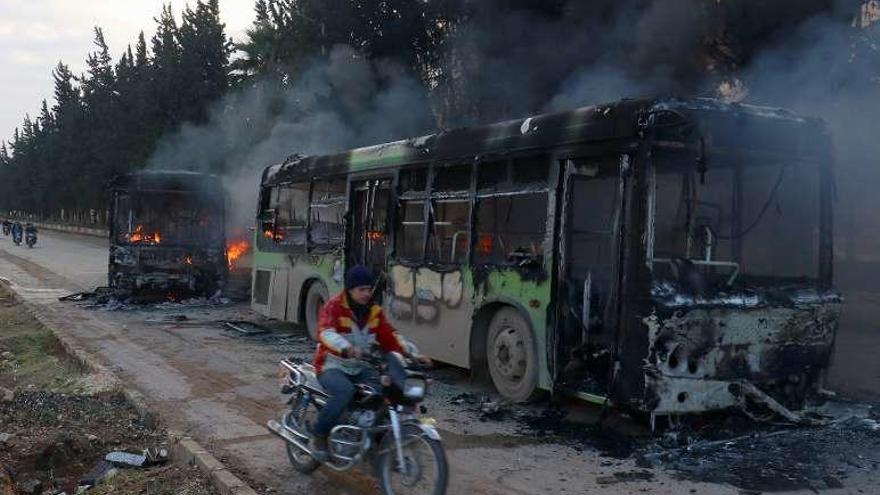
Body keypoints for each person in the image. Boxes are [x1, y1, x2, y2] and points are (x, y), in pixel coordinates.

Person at [310, 265, 431, 459]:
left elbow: (391, 337)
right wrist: (346, 348)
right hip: (331, 364)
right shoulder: (334, 306)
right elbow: (326, 333)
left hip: (360, 366)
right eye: (361, 290)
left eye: (369, 289)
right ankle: (320, 436)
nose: (367, 293)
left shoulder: (374, 312)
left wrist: (414, 355)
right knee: (345, 391)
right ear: (350, 290)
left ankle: (374, 440)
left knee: (387, 390)